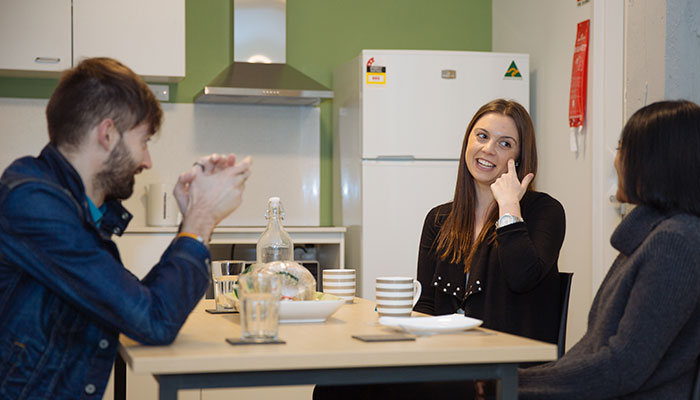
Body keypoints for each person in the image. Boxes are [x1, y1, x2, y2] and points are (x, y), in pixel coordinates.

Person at [0, 57, 252, 399]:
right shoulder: (33, 205)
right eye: (144, 141)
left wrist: (192, 221)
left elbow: (135, 305)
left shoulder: (71, 206)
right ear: (107, 134)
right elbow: (154, 320)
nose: (147, 161)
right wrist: (200, 218)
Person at [519, 100, 700, 399]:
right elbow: (592, 350)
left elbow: (621, 368)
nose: (615, 161)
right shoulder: (649, 238)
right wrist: (511, 381)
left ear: (654, 162)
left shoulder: (675, 243)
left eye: (621, 148)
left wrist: (510, 386)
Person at [414, 98, 565, 345]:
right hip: (448, 359)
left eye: (505, 143)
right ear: (467, 143)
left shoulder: (545, 211)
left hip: (510, 365)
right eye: (482, 136)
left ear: (518, 158)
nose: (488, 149)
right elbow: (427, 303)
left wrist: (509, 208)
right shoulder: (438, 219)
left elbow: (522, 279)